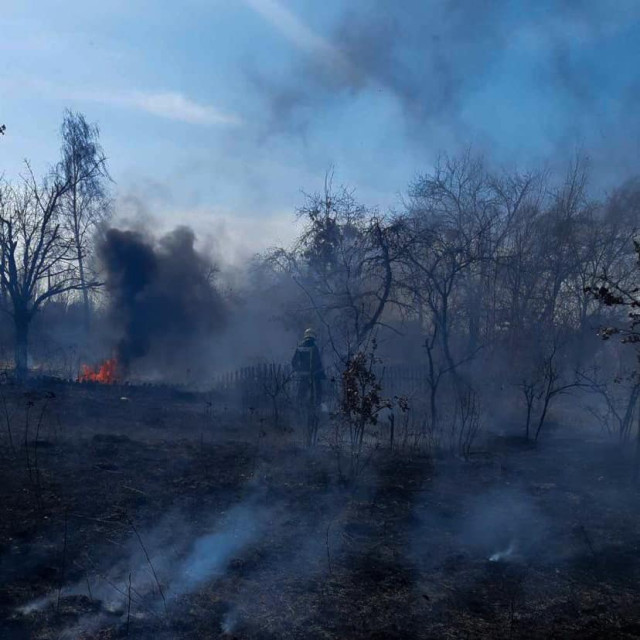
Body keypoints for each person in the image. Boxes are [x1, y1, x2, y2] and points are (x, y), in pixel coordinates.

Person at [291, 328, 325, 410]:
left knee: (301, 392)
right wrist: (322, 373)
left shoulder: (299, 347)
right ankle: (317, 405)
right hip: (313, 374)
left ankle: (299, 406)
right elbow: (318, 362)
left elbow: (293, 361)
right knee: (318, 390)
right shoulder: (314, 347)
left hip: (302, 374)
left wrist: (298, 370)